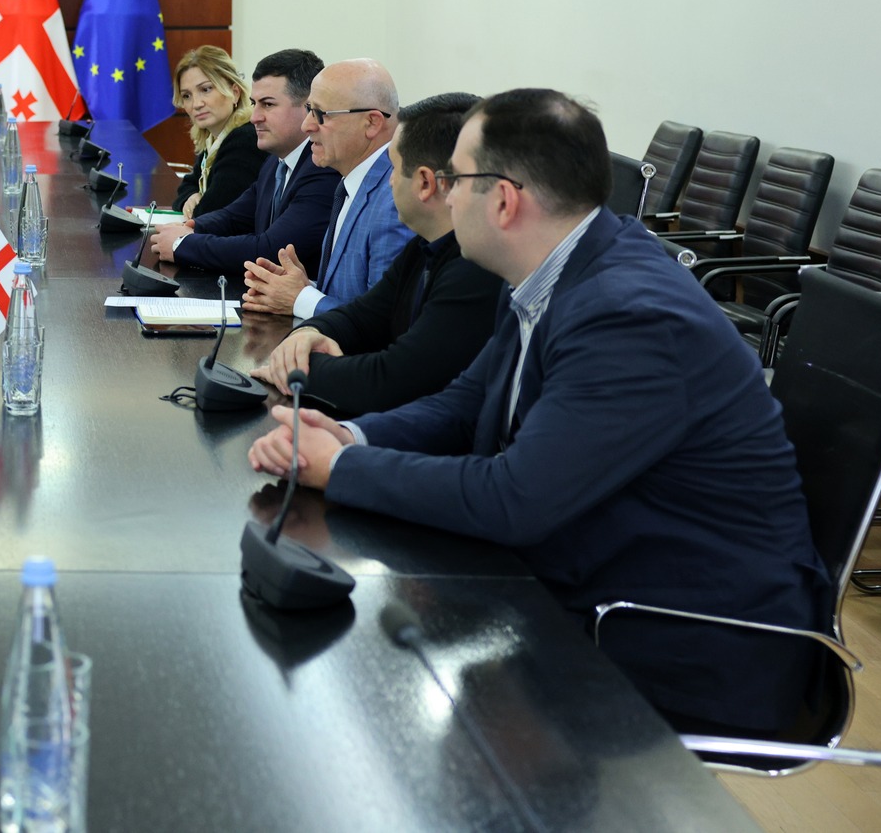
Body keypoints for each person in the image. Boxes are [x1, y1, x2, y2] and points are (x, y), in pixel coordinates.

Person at [248, 89, 830, 737]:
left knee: (368, 685)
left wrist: (342, 468)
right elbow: (466, 403)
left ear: (503, 200)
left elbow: (517, 497)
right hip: (588, 572)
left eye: (456, 180)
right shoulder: (555, 267)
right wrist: (348, 435)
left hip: (678, 638)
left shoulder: (628, 313)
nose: (444, 196)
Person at [252, 92, 503, 417]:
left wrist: (298, 367)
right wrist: (307, 334)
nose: (389, 180)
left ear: (425, 183)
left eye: (393, 168)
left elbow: (392, 381)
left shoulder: (475, 267)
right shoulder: (424, 246)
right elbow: (361, 317)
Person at [239, 58, 413, 319]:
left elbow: (384, 320)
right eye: (309, 109)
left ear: (372, 123)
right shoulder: (351, 181)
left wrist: (301, 299)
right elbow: (354, 296)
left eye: (321, 114)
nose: (306, 125)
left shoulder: (394, 200)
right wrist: (305, 288)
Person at [149, 48, 336, 276]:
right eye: (254, 104)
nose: (255, 117)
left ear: (308, 108)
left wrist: (182, 245)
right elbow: (233, 217)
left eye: (268, 104)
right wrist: (189, 228)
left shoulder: (323, 167)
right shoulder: (276, 161)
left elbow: (271, 251)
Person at [170, 46, 267, 218]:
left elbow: (210, 212)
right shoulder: (213, 139)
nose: (196, 104)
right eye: (186, 96)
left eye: (206, 89)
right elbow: (187, 186)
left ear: (234, 93)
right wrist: (190, 197)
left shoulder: (244, 140)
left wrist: (195, 206)